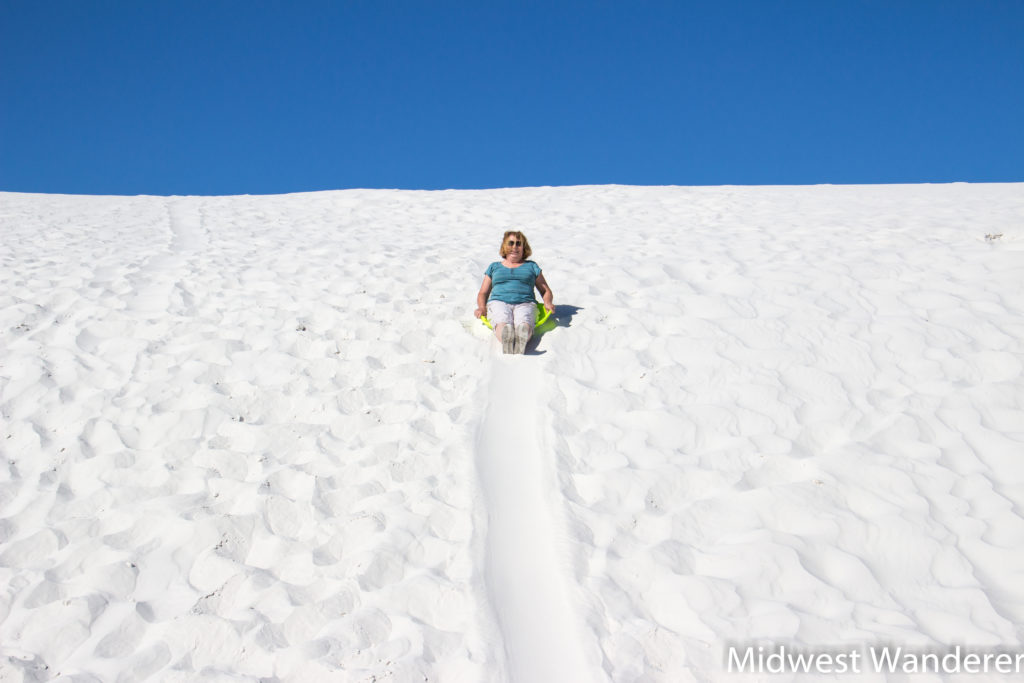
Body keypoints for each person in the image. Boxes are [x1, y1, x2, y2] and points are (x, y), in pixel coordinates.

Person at [475, 230, 554, 354]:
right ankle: (506, 338)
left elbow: (545, 290)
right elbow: (483, 293)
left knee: (524, 320)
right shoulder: (494, 267)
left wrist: (548, 302)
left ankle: (522, 337)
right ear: (504, 246)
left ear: (524, 247)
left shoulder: (531, 266)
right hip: (498, 302)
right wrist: (481, 307)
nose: (514, 247)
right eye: (511, 243)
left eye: (518, 243)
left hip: (525, 303)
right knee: (501, 319)